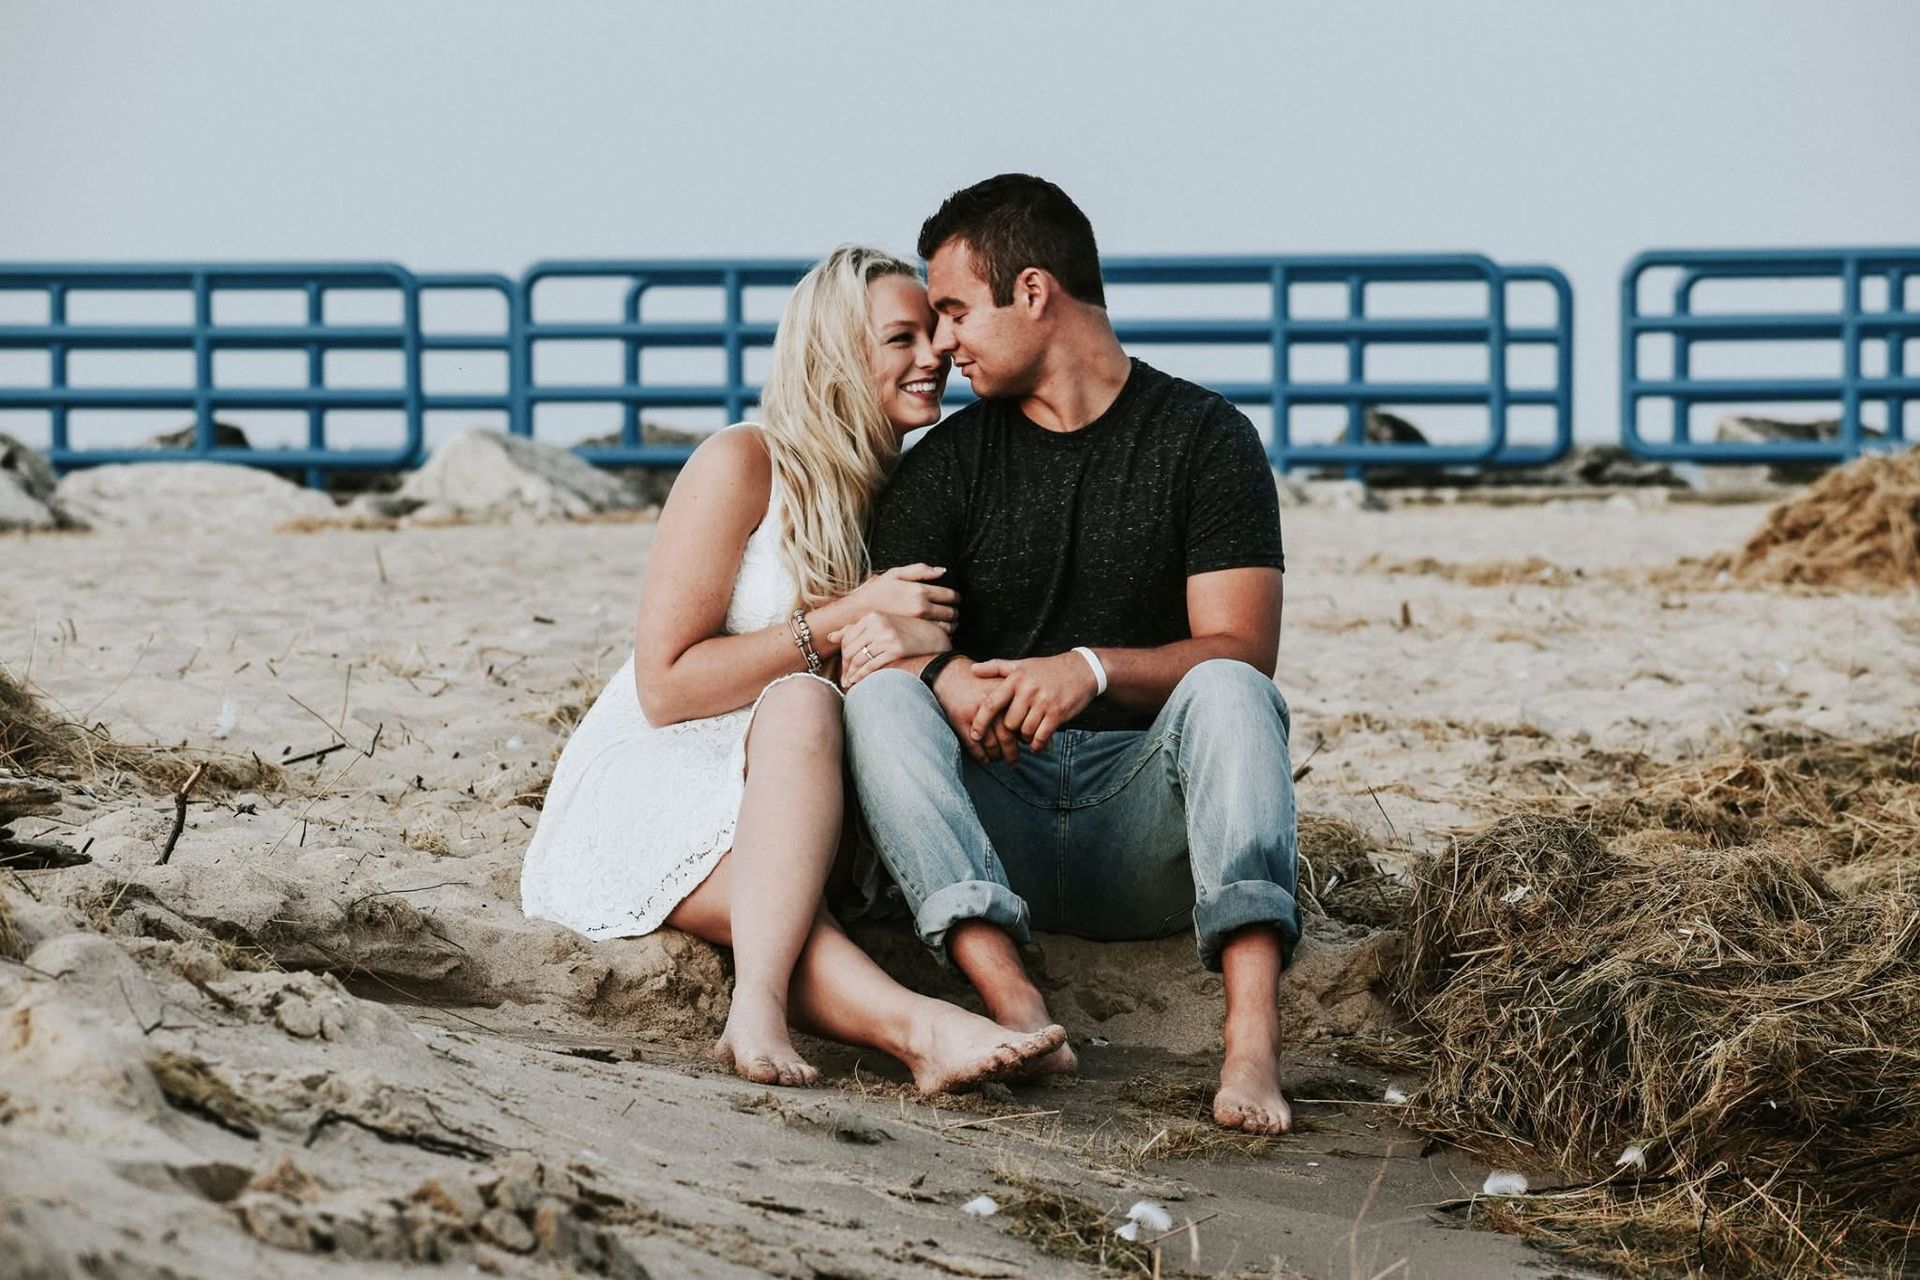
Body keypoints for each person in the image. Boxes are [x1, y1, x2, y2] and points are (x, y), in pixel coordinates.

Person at [520, 245, 1067, 1093]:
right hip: (665, 773)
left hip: (803, 796)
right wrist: (843, 619)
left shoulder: (918, 490)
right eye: (902, 338)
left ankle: (909, 1030)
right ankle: (865, 1021)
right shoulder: (744, 462)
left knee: (803, 753)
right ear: (836, 354)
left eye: (935, 333)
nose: (936, 356)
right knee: (802, 714)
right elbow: (664, 685)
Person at [841, 176, 1301, 1134]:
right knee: (879, 703)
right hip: (989, 815)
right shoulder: (946, 467)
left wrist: (1085, 668)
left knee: (1229, 692)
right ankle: (1017, 1009)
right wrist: (943, 676)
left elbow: (1242, 649)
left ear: (1036, 293)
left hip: (1147, 830)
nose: (945, 343)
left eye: (959, 311)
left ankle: (1251, 1045)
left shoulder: (1206, 439)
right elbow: (888, 640)